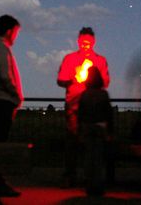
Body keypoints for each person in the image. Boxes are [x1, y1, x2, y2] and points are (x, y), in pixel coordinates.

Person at [56, 26, 109, 186]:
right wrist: (73, 80)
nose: (85, 45)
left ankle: (91, 177)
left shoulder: (100, 60)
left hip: (93, 107)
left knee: (92, 143)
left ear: (93, 42)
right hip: (74, 106)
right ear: (78, 41)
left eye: (88, 42)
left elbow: (105, 82)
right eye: (83, 42)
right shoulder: (70, 59)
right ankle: (70, 175)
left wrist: (92, 82)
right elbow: (60, 80)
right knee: (72, 139)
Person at [0, 15, 24, 198]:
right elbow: (4, 74)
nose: (16, 36)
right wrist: (16, 95)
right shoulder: (1, 48)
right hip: (3, 101)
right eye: (16, 32)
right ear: (9, 30)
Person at [78, 66, 113, 197]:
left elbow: (80, 114)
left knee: (88, 158)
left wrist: (79, 131)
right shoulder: (104, 94)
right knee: (98, 159)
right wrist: (109, 132)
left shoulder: (85, 94)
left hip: (87, 128)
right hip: (100, 128)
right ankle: (98, 187)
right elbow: (108, 114)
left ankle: (89, 186)